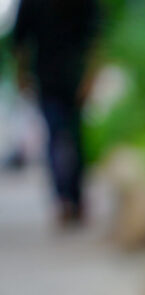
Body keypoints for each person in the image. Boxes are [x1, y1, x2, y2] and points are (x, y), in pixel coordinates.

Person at [12, 0, 102, 225]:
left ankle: (73, 195)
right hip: (48, 79)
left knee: (72, 136)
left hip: (74, 79)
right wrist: (22, 74)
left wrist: (90, 76)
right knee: (57, 135)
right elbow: (20, 42)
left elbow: (95, 39)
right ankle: (64, 198)